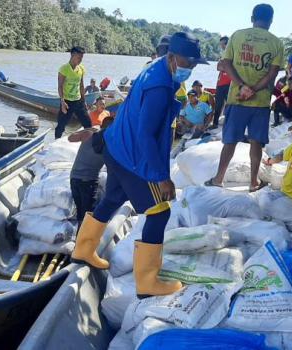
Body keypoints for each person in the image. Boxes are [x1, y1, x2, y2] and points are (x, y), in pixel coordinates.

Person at [71, 32, 207, 298]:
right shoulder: (160, 87)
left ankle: (84, 249)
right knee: (159, 213)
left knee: (112, 198)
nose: (189, 68)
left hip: (116, 145)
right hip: (132, 156)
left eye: (194, 63)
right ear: (171, 56)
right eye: (186, 61)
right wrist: (160, 177)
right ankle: (147, 282)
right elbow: (146, 134)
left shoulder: (155, 68)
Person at [205, 4, 283, 192]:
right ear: (271, 20)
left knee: (230, 141)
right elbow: (273, 73)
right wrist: (254, 89)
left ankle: (219, 178)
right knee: (256, 143)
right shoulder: (276, 42)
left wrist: (242, 86)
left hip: (237, 98)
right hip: (261, 101)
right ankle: (254, 182)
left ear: (252, 17)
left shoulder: (237, 35)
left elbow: (226, 64)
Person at [68, 117, 115, 224]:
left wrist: (88, 129)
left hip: (74, 178)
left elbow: (70, 138)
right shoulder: (109, 143)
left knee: (81, 214)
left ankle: (79, 238)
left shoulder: (89, 134)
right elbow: (112, 169)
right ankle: (83, 239)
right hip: (88, 182)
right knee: (88, 216)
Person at [55, 47, 92, 139]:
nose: (80, 60)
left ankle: (89, 143)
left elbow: (81, 85)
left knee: (88, 123)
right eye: (79, 57)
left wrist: (84, 101)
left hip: (78, 101)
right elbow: (60, 86)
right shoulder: (64, 69)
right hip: (67, 102)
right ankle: (55, 142)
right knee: (61, 125)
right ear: (72, 55)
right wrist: (62, 102)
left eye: (82, 58)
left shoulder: (81, 68)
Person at [213, 36, 231, 128]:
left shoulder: (233, 54)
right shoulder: (223, 54)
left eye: (222, 44)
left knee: (230, 105)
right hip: (220, 84)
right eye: (220, 45)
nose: (221, 46)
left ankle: (229, 124)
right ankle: (215, 123)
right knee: (218, 105)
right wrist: (226, 67)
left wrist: (225, 67)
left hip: (229, 84)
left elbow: (232, 68)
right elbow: (218, 67)